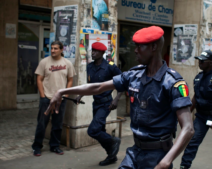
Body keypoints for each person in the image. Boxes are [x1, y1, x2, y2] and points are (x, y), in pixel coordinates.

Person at [45, 26, 194, 169]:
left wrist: (165, 162)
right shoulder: (134, 75)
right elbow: (98, 87)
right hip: (135, 152)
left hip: (158, 155)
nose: (135, 51)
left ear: (153, 47)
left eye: (139, 46)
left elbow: (188, 128)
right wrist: (63, 91)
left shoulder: (172, 82)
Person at [75, 42, 123, 166]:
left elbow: (123, 83)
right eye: (92, 51)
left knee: (92, 130)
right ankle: (111, 155)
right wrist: (80, 95)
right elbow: (89, 86)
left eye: (96, 51)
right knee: (100, 132)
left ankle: (114, 141)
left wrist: (116, 99)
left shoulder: (110, 67)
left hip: (106, 103)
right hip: (96, 104)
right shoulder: (90, 67)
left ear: (102, 53)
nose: (93, 53)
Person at [32, 41, 76, 156]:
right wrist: (42, 96)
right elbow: (39, 79)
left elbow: (70, 80)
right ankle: (37, 146)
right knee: (42, 124)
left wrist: (66, 95)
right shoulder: (44, 62)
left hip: (60, 99)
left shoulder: (67, 63)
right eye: (51, 48)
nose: (52, 50)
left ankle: (55, 146)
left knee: (57, 124)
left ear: (62, 50)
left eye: (55, 48)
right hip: (46, 97)